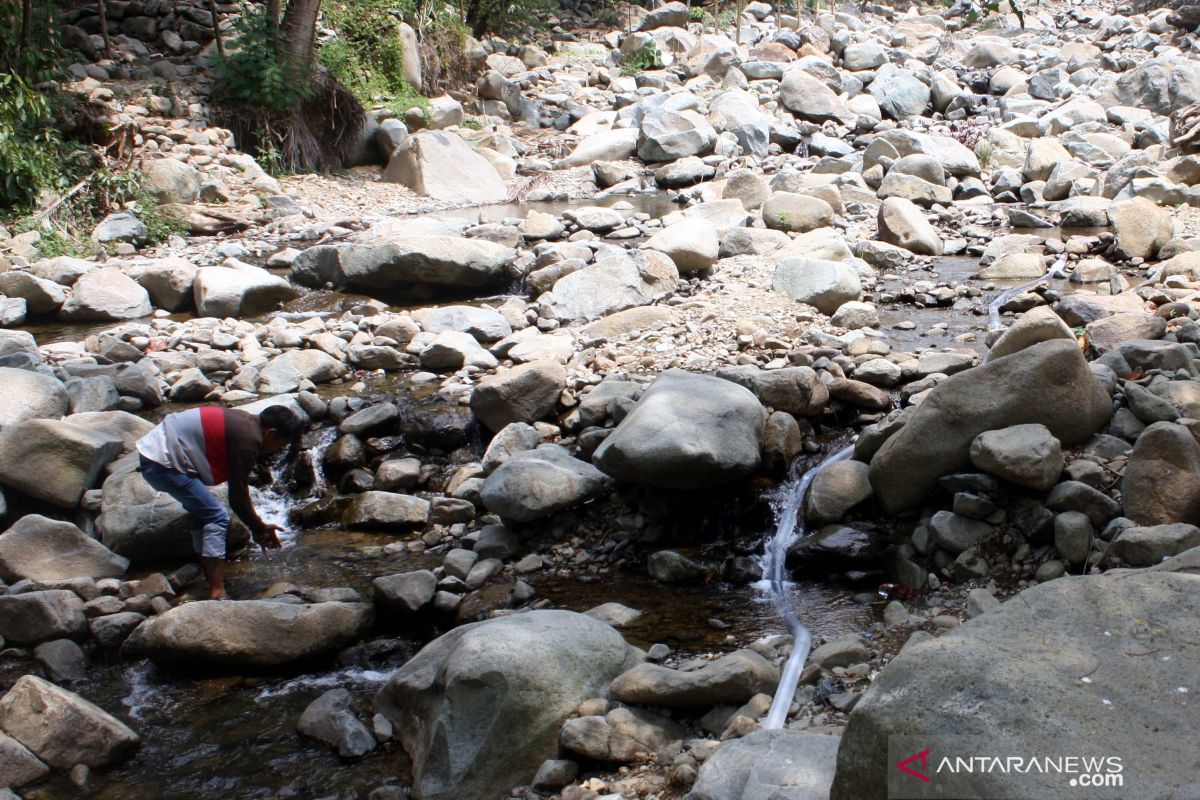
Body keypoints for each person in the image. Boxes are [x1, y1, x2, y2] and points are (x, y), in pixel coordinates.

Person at [135, 405, 304, 599]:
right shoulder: (249, 440)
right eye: (280, 445)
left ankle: (209, 577)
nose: (278, 450)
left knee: (203, 515)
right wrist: (259, 528)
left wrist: (258, 527)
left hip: (158, 453)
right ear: (271, 433)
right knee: (216, 516)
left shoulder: (245, 420)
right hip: (162, 463)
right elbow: (237, 498)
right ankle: (217, 591)